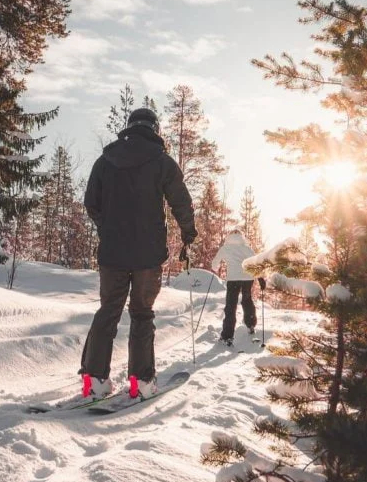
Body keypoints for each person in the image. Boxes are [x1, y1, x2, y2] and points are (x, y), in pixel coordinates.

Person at [80, 108, 197, 401]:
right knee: (142, 314)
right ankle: (141, 382)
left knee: (108, 311)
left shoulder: (105, 161)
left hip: (112, 254)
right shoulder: (161, 162)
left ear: (129, 127)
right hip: (148, 255)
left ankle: (93, 379)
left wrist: (107, 227)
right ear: (154, 129)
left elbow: (91, 202)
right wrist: (188, 234)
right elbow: (181, 201)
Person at [211, 230, 263, 347]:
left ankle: (227, 336)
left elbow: (215, 264)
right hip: (247, 278)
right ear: (241, 236)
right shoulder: (246, 248)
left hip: (233, 279)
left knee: (231, 305)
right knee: (247, 300)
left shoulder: (226, 248)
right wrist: (260, 278)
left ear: (229, 237)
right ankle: (250, 325)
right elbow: (256, 263)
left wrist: (216, 267)